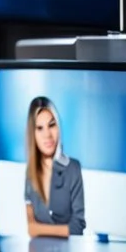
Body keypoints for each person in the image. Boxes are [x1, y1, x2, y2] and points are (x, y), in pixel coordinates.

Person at [23, 96, 85, 237]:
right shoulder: (30, 172)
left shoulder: (73, 168)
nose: (47, 135)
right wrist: (62, 230)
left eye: (52, 125)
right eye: (39, 128)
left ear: (58, 126)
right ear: (32, 134)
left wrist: (40, 229)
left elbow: (77, 227)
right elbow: (30, 228)